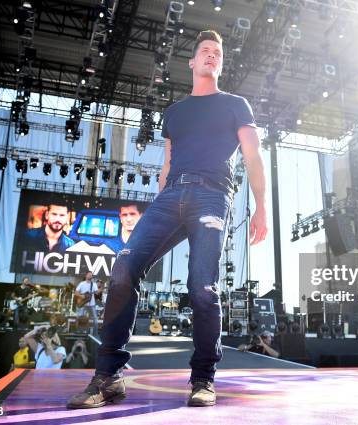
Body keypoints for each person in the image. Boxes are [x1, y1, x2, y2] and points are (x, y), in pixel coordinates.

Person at [67, 30, 267, 409]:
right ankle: (108, 377)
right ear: (192, 62)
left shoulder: (236, 104)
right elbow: (168, 163)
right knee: (124, 268)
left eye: (217, 53)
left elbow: (253, 156)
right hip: (171, 195)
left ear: (220, 64)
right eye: (205, 51)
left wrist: (260, 206)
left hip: (212, 196)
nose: (212, 55)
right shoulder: (174, 113)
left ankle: (203, 377)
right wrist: (160, 204)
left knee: (203, 287)